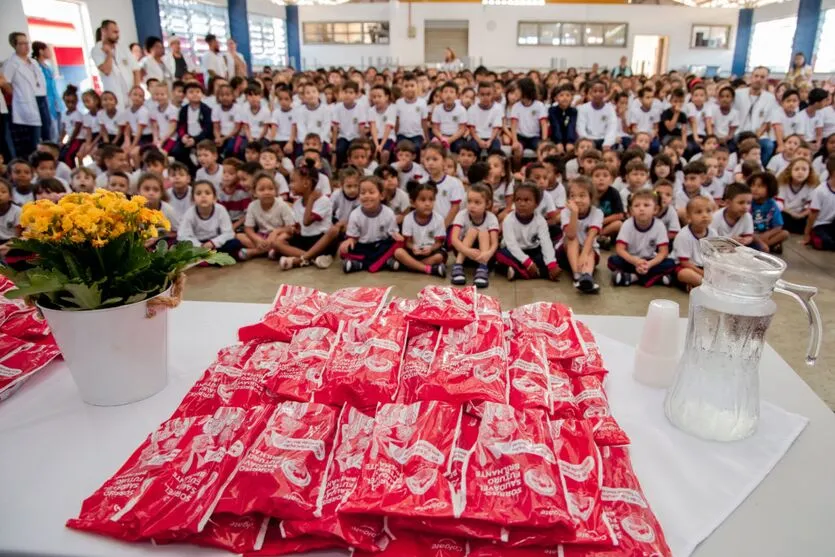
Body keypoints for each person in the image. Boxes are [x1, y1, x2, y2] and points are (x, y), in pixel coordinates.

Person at [274, 160, 335, 269]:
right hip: (304, 239)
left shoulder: (323, 200)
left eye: (293, 181)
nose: (290, 185)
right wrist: (294, 229)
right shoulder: (297, 203)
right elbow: (301, 226)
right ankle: (311, 258)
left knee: (334, 231)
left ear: (306, 183)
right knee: (277, 243)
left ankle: (301, 259)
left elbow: (307, 222)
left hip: (320, 241)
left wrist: (311, 199)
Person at [608, 189, 675, 287]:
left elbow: (663, 252)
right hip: (632, 260)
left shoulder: (659, 225)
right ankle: (656, 278)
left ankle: (632, 277)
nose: (641, 208)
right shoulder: (627, 224)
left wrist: (649, 264)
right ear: (631, 210)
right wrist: (635, 261)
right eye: (636, 205)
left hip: (650, 260)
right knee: (612, 261)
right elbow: (620, 249)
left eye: (646, 205)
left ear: (655, 209)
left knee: (671, 263)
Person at [339, 176, 402, 273]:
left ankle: (359, 264)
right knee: (343, 251)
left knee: (397, 244)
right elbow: (353, 237)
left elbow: (392, 233)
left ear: (381, 195)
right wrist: (350, 241)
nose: (367, 196)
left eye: (371, 192)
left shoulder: (388, 213)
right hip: (362, 246)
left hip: (380, 245)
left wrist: (397, 236)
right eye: (363, 193)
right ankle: (384, 262)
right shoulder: (355, 214)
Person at [3, 32, 49, 159]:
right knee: (34, 138)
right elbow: (5, 82)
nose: (26, 46)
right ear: (14, 45)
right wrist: (17, 94)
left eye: (26, 42)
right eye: (22, 43)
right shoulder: (11, 63)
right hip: (27, 101)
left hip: (41, 98)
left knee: (47, 132)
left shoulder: (33, 62)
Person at [557, 176, 603, 293]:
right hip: (566, 254)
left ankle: (587, 277)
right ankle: (577, 275)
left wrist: (583, 255)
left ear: (591, 198)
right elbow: (571, 235)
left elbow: (591, 237)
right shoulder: (565, 212)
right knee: (573, 240)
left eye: (582, 195)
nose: (577, 200)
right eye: (572, 196)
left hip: (588, 255)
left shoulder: (597, 213)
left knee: (590, 248)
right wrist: (574, 213)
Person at [394, 181, 449, 278]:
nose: (427, 204)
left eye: (431, 200)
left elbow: (439, 242)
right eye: (422, 200)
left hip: (430, 252)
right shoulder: (408, 218)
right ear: (413, 203)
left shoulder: (439, 219)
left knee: (439, 257)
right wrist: (413, 247)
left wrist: (431, 248)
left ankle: (409, 266)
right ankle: (428, 269)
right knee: (398, 252)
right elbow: (408, 242)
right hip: (415, 252)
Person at [448, 183, 499, 287]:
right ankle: (458, 265)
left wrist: (488, 254)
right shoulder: (462, 214)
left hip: (484, 255)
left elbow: (494, 243)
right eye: (470, 201)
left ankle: (482, 268)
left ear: (487, 204)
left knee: (483, 232)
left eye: (477, 202)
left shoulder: (491, 217)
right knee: (472, 231)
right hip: (463, 252)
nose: (472, 205)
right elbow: (453, 239)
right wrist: (467, 251)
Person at [237, 172, 295, 261]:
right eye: (262, 189)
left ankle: (255, 252)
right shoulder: (252, 206)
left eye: (271, 189)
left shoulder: (282, 205)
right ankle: (271, 250)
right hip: (262, 237)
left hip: (278, 235)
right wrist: (257, 240)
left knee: (284, 237)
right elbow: (248, 228)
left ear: (276, 191)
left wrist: (275, 232)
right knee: (239, 236)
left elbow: (291, 228)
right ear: (254, 192)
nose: (267, 192)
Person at [177, 180, 240, 255]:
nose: (203, 196)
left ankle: (206, 258)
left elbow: (229, 233)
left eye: (207, 193)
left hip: (214, 242)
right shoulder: (189, 213)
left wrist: (212, 243)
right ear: (193, 199)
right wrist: (199, 245)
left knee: (235, 243)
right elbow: (182, 235)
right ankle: (209, 258)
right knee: (178, 245)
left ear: (215, 198)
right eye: (198, 193)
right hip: (197, 243)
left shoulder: (221, 210)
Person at [91, 20, 140, 107]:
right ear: (104, 31)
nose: (117, 35)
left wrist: (136, 88)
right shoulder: (97, 49)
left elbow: (136, 69)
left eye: (118, 32)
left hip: (131, 93)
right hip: (114, 96)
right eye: (114, 32)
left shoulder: (123, 47)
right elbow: (106, 70)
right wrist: (109, 54)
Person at [734, 66, 777, 165]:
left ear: (766, 80)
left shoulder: (770, 98)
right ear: (751, 77)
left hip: (758, 134)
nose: (758, 79)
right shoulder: (738, 94)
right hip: (739, 132)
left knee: (768, 145)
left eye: (762, 77)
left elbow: (767, 122)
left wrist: (756, 137)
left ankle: (760, 168)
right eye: (756, 76)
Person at [672, 196, 716, 290]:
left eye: (708, 211)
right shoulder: (683, 235)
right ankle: (708, 286)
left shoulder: (713, 233)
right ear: (689, 217)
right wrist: (704, 274)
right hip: (687, 266)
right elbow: (684, 262)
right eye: (699, 212)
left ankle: (698, 285)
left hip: (704, 267)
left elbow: (715, 256)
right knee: (685, 274)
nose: (705, 215)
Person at [749, 172, 789, 253]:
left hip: (766, 234)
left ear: (770, 188)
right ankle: (766, 246)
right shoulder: (749, 202)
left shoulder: (772, 205)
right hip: (751, 234)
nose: (755, 189)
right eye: (752, 185)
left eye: (760, 186)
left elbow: (778, 226)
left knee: (785, 233)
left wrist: (768, 234)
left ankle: (761, 246)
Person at [778, 157, 818, 234]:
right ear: (790, 171)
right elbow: (779, 204)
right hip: (786, 213)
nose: (800, 172)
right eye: (796, 169)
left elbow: (811, 205)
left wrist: (801, 215)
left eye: (804, 169)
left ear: (809, 172)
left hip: (801, 215)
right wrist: (792, 213)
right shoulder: (783, 184)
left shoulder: (810, 186)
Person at [31, 41, 59, 142]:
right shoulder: (37, 67)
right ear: (41, 51)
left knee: (57, 129)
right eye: (47, 49)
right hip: (46, 100)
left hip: (54, 99)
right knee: (50, 130)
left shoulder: (47, 66)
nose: (50, 52)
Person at [713, 182, 754, 246]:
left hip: (738, 249)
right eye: (741, 202)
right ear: (728, 203)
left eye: (748, 203)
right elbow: (710, 241)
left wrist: (745, 240)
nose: (746, 206)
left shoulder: (747, 216)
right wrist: (729, 241)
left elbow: (749, 236)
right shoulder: (715, 217)